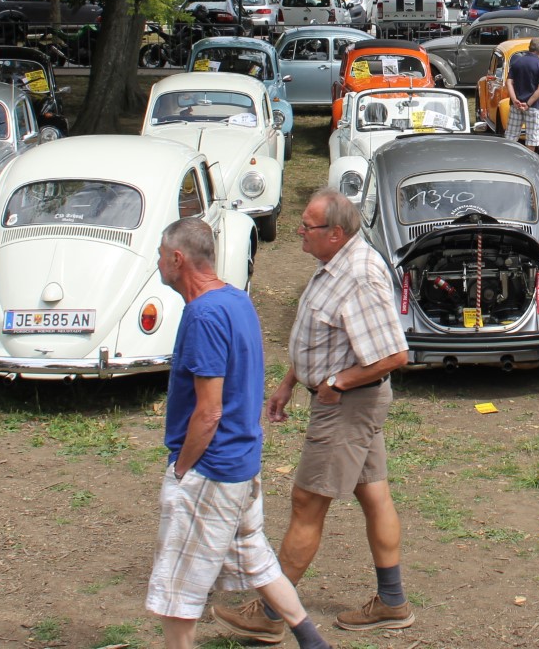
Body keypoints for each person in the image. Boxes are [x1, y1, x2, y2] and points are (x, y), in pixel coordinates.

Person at [224, 189, 411, 638]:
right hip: (345, 403)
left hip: (347, 407)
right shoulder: (333, 265)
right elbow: (325, 336)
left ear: (337, 233)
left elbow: (393, 355)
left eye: (308, 226)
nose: (299, 232)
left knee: (307, 503)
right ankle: (392, 602)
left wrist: (336, 383)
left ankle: (271, 616)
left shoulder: (360, 276)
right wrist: (291, 382)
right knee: (374, 495)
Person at [146, 218, 330, 649]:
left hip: (211, 469)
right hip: (242, 461)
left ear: (177, 259)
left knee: (178, 591)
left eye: (159, 255)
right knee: (254, 556)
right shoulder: (236, 300)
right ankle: (313, 641)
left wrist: (182, 470)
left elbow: (208, 412)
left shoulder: (204, 314)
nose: (156, 263)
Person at [503, 36, 539, 149]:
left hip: (516, 105)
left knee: (511, 136)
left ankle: (508, 161)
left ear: (529, 48)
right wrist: (528, 104)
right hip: (533, 106)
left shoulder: (517, 62)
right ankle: (529, 162)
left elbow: (508, 82)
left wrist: (515, 100)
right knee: (532, 139)